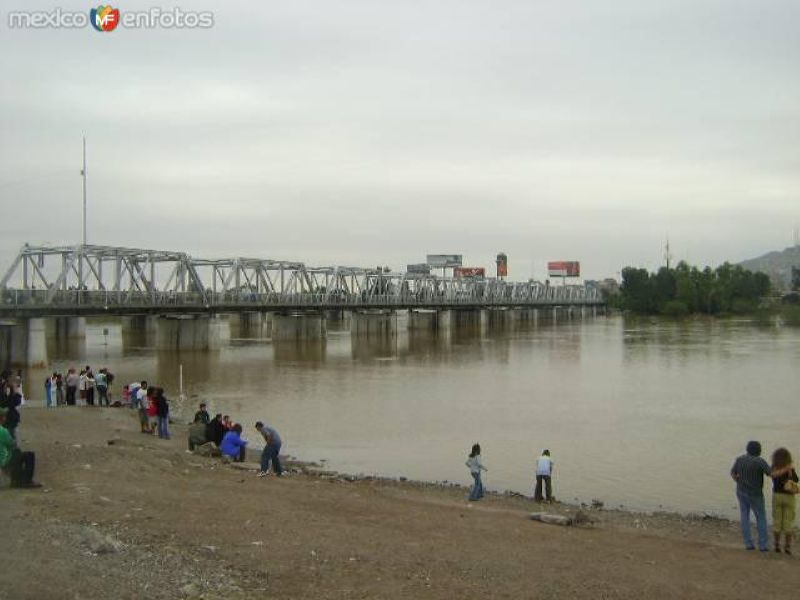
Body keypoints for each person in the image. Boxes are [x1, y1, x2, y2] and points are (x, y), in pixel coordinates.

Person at [731, 440, 772, 551]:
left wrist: (737, 480)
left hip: (741, 491)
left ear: (747, 449)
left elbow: (733, 473)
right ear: (759, 450)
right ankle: (762, 545)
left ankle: (748, 544)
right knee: (761, 518)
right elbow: (771, 473)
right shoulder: (760, 461)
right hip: (755, 494)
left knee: (744, 516)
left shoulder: (739, 459)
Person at [0, 409, 40, 488]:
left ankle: (16, 479)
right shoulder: (2, 431)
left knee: (17, 453)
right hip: (4, 460)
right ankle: (26, 481)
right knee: (28, 455)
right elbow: (12, 444)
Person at [770, 447, 798, 554]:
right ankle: (787, 547)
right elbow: (795, 480)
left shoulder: (773, 467)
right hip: (789, 497)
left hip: (777, 495)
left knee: (777, 521)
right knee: (788, 522)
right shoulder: (789, 468)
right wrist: (789, 470)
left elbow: (772, 477)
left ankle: (776, 545)